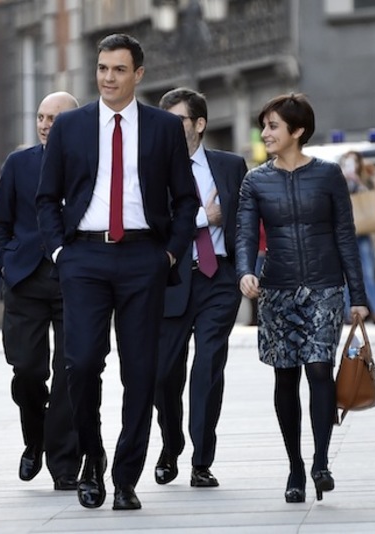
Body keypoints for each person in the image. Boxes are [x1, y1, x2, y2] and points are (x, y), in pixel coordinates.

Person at [36, 33, 198, 511]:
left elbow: (185, 200)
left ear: (138, 74)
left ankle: (126, 476)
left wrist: (169, 253)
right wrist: (62, 253)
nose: (108, 78)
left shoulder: (165, 128)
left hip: (144, 256)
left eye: (119, 69)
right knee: (82, 362)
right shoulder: (70, 127)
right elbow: (47, 198)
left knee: (141, 371)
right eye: (103, 68)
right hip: (83, 256)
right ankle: (92, 459)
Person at [235, 93, 369, 504]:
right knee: (285, 375)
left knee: (317, 368)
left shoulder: (328, 176)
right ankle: (295, 465)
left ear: (298, 131)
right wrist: (244, 271)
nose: (266, 133)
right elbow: (244, 233)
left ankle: (321, 462)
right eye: (265, 125)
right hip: (276, 290)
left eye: (274, 126)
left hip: (325, 287)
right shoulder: (255, 181)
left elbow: (346, 235)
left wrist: (358, 296)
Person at [153, 88, 247, 488]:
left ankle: (201, 460)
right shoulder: (152, 170)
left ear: (199, 125)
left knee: (208, 366)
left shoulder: (230, 165)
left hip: (218, 279)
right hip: (172, 281)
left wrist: (248, 270)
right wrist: (202, 219)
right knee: (163, 376)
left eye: (179, 122)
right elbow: (154, 227)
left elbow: (244, 222)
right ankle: (171, 444)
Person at [0, 91, 82, 491]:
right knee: (27, 369)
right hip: (25, 279)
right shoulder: (18, 164)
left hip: (74, 281)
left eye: (54, 119)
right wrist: (7, 264)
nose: (45, 125)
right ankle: (36, 438)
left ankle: (64, 464)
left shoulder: (89, 164)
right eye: (41, 117)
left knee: (70, 372)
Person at [339, 150, 375, 324]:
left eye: (353, 162)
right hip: (345, 233)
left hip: (363, 233)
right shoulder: (338, 180)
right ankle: (349, 314)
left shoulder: (363, 182)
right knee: (344, 275)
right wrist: (343, 178)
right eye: (347, 162)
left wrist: (357, 181)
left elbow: (370, 198)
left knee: (367, 274)